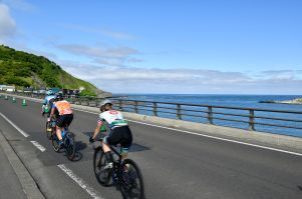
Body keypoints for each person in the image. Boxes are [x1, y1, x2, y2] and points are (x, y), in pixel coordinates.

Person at [89, 99, 133, 168]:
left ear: (103, 107)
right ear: (110, 106)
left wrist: (93, 137)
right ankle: (126, 172)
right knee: (123, 158)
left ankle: (110, 163)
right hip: (128, 133)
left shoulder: (102, 114)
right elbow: (121, 124)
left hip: (118, 132)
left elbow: (98, 128)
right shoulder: (119, 112)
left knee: (104, 141)